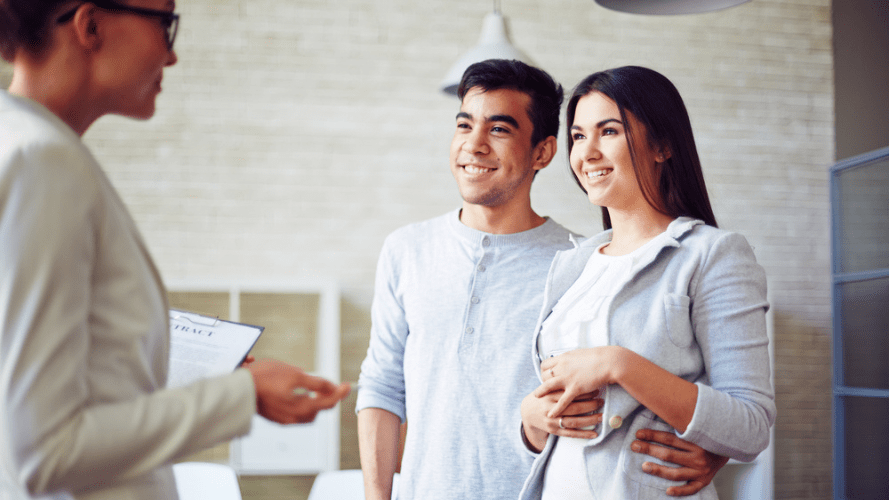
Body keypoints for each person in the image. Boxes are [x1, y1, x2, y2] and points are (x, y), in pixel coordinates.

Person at [0, 1, 350, 498]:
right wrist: (240, 396)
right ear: (91, 25)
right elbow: (43, 449)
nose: (172, 56)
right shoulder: (44, 164)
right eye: (166, 23)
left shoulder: (19, 143)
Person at [356, 59, 729, 500]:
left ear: (543, 152)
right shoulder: (406, 250)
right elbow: (382, 386)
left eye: (499, 129)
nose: (474, 145)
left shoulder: (585, 262)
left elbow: (669, 373)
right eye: (464, 125)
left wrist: (713, 449)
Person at [518, 66, 776, 499]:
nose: (588, 152)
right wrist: (531, 421)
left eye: (609, 131)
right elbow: (555, 425)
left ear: (662, 146)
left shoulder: (711, 254)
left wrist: (620, 365)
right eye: (578, 136)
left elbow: (750, 426)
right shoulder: (572, 266)